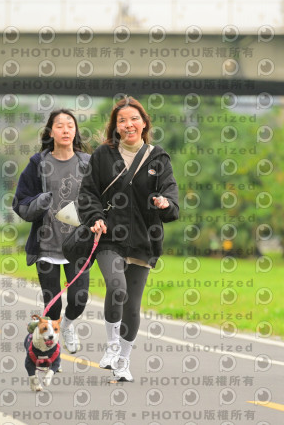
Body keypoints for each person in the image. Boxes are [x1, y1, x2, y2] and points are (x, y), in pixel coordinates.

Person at [78, 96, 179, 382]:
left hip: (144, 239)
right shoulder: (103, 155)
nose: (128, 124)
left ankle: (123, 360)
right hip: (109, 236)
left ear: (144, 123)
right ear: (116, 127)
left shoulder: (158, 158)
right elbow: (88, 193)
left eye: (134, 119)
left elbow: (172, 198)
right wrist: (95, 217)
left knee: (132, 305)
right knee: (116, 286)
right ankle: (111, 346)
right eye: (122, 120)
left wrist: (164, 203)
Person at [13, 109, 91, 364]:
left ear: (75, 131)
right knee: (53, 303)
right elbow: (20, 201)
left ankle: (66, 325)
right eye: (60, 125)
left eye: (70, 125)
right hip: (46, 245)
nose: (66, 129)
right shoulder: (38, 164)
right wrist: (40, 202)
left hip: (78, 244)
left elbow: (101, 198)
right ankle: (49, 355)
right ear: (50, 132)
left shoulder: (87, 163)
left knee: (79, 298)